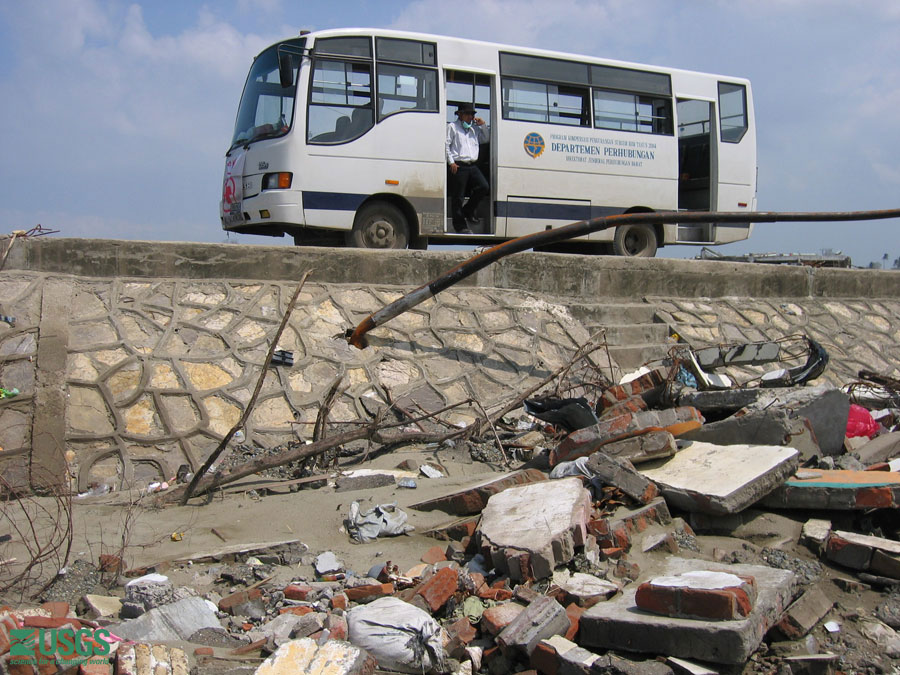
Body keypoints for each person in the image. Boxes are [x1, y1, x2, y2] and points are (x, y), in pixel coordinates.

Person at [446, 103, 490, 234]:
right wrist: (451, 162)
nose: (471, 117)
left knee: (483, 187)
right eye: (468, 114)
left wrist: (482, 125)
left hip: (472, 165)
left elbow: (486, 139)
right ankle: (460, 226)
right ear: (460, 114)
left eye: (472, 114)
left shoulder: (473, 129)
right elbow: (446, 145)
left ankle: (468, 210)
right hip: (459, 165)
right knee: (458, 197)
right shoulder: (452, 127)